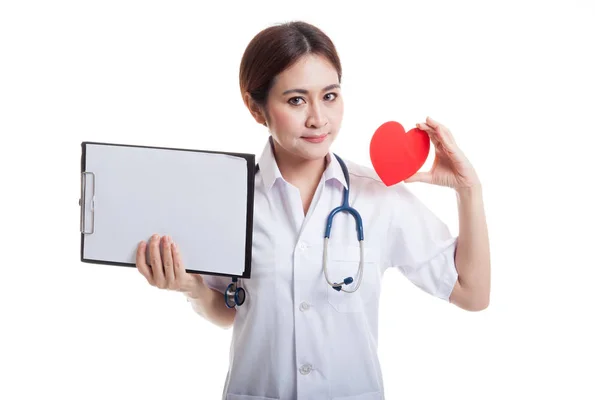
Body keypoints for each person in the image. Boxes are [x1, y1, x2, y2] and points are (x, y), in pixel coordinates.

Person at [135, 20, 490, 400]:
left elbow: (472, 294)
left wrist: (469, 190)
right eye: (296, 100)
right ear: (256, 107)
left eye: (330, 96)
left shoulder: (379, 198)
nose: (319, 118)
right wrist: (191, 288)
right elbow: (228, 311)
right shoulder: (230, 200)